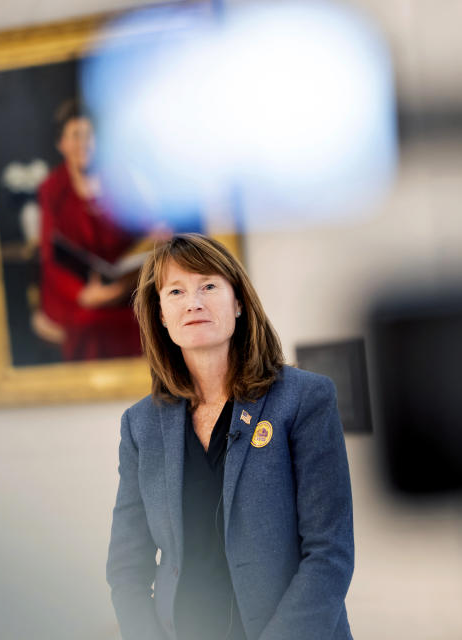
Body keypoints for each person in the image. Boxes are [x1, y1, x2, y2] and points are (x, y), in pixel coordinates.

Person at [106, 233, 354, 640]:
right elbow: (126, 567)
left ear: (238, 301)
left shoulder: (304, 399)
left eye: (208, 285)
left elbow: (330, 554)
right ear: (162, 315)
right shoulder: (141, 425)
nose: (193, 302)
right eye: (176, 291)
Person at [35, 99, 143, 361]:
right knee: (90, 322)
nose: (84, 143)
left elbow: (142, 231)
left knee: (145, 316)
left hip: (124, 284)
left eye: (90, 135)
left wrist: (156, 235)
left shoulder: (120, 179)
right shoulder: (52, 188)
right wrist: (83, 294)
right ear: (62, 144)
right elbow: (51, 256)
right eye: (75, 136)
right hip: (73, 290)